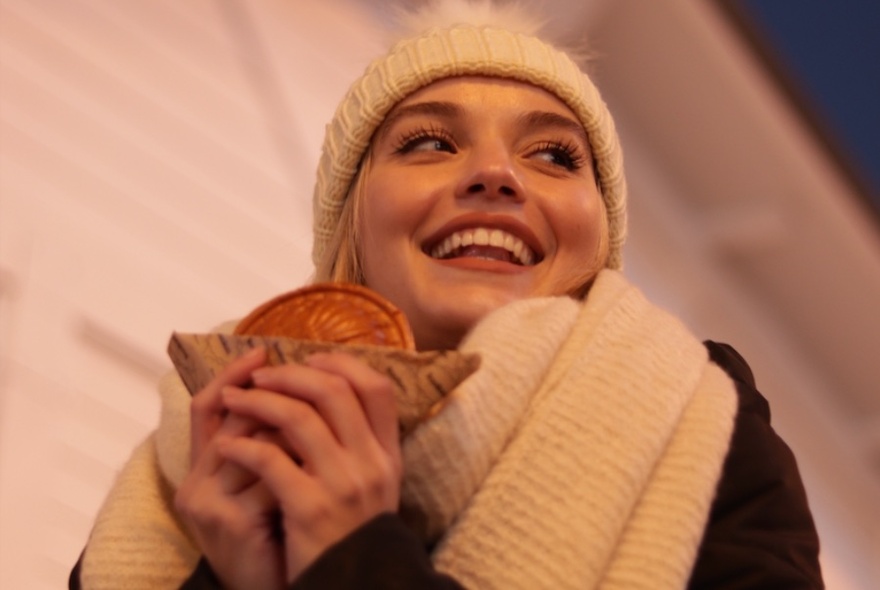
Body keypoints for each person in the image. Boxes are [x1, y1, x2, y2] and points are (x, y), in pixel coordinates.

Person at [70, 1, 824, 588]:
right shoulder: (187, 471)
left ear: (598, 244)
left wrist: (353, 562)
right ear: (352, 232)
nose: (496, 175)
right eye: (430, 142)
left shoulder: (706, 429)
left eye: (555, 154)